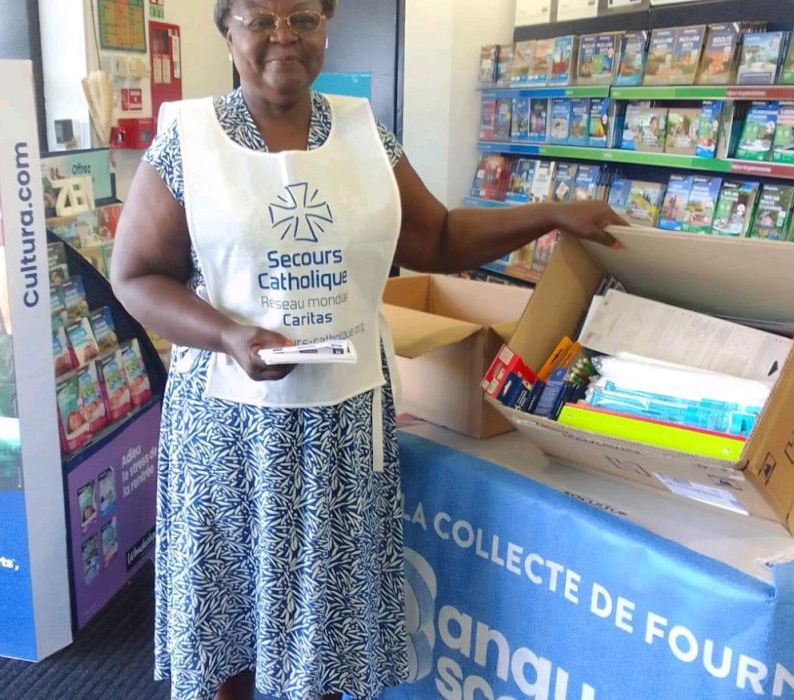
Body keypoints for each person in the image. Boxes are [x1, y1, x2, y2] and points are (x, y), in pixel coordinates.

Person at [108, 3, 627, 699]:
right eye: (261, 18)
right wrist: (229, 336)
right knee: (224, 615)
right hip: (229, 426)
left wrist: (552, 214)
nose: (283, 35)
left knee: (329, 625)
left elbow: (438, 238)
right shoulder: (188, 140)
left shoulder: (364, 136)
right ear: (227, 30)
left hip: (341, 426)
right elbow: (135, 275)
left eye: (303, 17)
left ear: (327, 25)